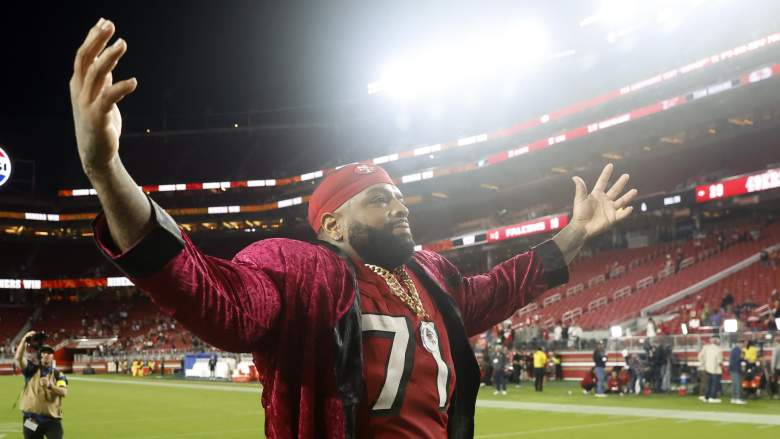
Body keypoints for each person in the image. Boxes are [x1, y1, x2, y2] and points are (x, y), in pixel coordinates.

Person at [69, 18, 637, 438]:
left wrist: (577, 232)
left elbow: (504, 286)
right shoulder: (301, 271)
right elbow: (211, 297)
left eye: (400, 198)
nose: (400, 208)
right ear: (333, 224)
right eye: (380, 200)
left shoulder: (431, 274)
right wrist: (107, 171)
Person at [14, 331, 68, 439]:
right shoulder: (31, 370)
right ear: (40, 355)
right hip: (31, 420)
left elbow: (64, 392)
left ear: (52, 356)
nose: (47, 355)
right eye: (44, 352)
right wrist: (24, 340)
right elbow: (18, 359)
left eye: (50, 353)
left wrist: (50, 386)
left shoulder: (58, 374)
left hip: (52, 420)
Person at [698, 337, 724, 403]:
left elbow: (700, 356)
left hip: (707, 368)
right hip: (715, 369)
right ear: (717, 342)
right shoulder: (718, 349)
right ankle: (712, 397)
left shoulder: (706, 348)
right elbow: (720, 360)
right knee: (714, 384)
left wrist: (704, 363)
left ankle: (706, 397)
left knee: (708, 384)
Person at [728, 340, 746, 404]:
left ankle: (734, 398)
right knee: (737, 384)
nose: (743, 346)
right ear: (740, 343)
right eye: (743, 344)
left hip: (733, 369)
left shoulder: (735, 350)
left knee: (735, 384)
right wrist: (745, 359)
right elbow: (739, 359)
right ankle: (738, 398)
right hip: (735, 369)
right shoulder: (737, 350)